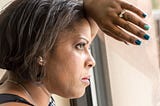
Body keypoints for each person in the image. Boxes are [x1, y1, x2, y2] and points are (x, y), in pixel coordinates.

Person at [0, 0, 149, 106]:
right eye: (80, 46)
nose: (91, 61)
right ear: (41, 51)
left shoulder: (14, 85)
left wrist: (90, 5)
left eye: (88, 47)